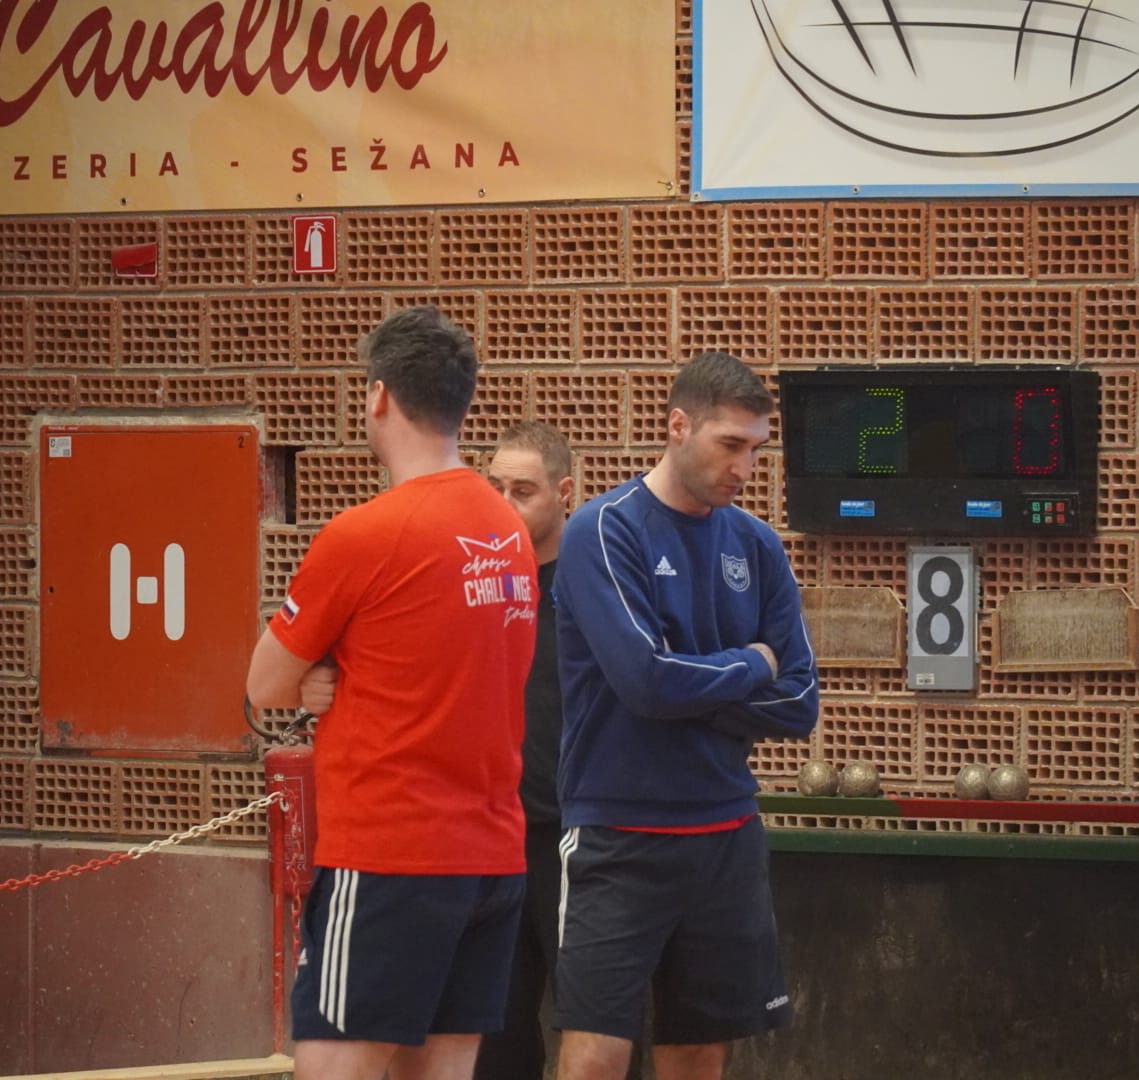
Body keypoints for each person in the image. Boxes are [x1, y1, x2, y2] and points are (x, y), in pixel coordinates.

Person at [246, 305, 539, 1080]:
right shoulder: (508, 528)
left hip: (390, 855)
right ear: (462, 401)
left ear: (377, 396)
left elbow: (264, 682)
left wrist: (323, 673)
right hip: (491, 856)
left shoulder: (364, 533)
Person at [551, 351, 820, 1080]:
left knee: (700, 1052)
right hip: (618, 833)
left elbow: (799, 702)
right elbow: (645, 682)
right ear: (678, 426)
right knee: (595, 1056)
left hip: (725, 833)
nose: (744, 467)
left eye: (756, 450)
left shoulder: (758, 546)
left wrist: (691, 689)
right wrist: (751, 664)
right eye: (730, 444)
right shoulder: (604, 530)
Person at [472, 420, 576, 1080]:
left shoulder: (593, 587)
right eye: (495, 488)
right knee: (496, 1037)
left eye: (523, 491)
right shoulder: (474, 588)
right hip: (492, 836)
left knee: (593, 1029)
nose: (504, 504)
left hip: (574, 837)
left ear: (564, 494)